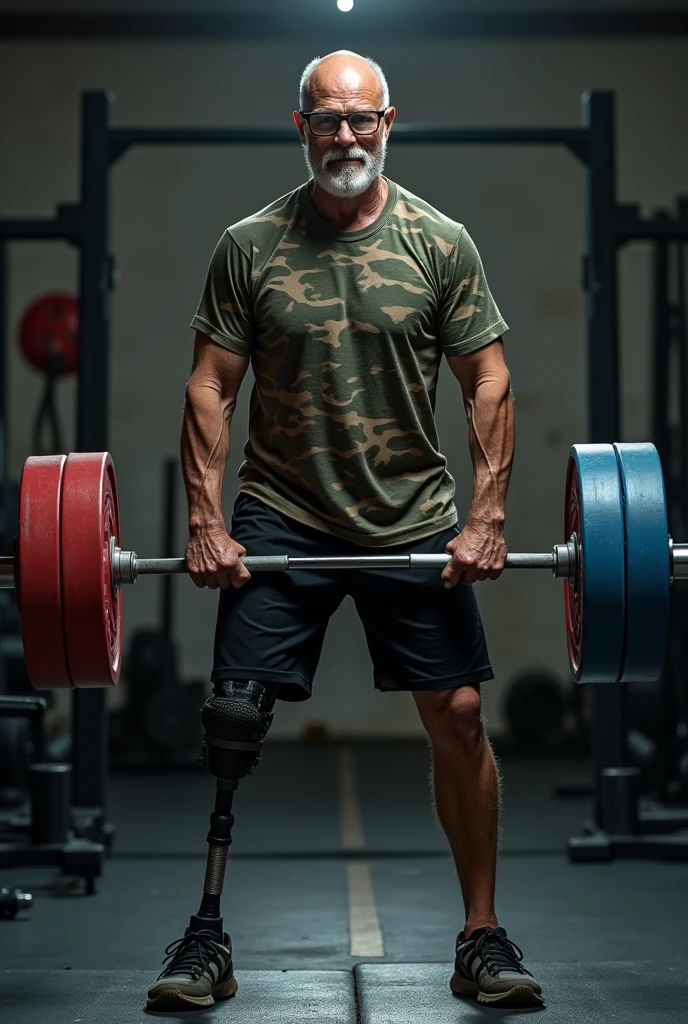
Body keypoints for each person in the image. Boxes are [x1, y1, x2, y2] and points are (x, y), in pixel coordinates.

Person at [146, 50, 543, 1012]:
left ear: (389, 122)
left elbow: (488, 379)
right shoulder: (250, 245)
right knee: (234, 719)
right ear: (301, 128)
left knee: (456, 717)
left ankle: (481, 936)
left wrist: (487, 516)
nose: (346, 137)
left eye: (362, 120)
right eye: (327, 120)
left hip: (411, 514)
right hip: (281, 511)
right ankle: (205, 937)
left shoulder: (440, 243)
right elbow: (210, 386)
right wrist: (205, 520)